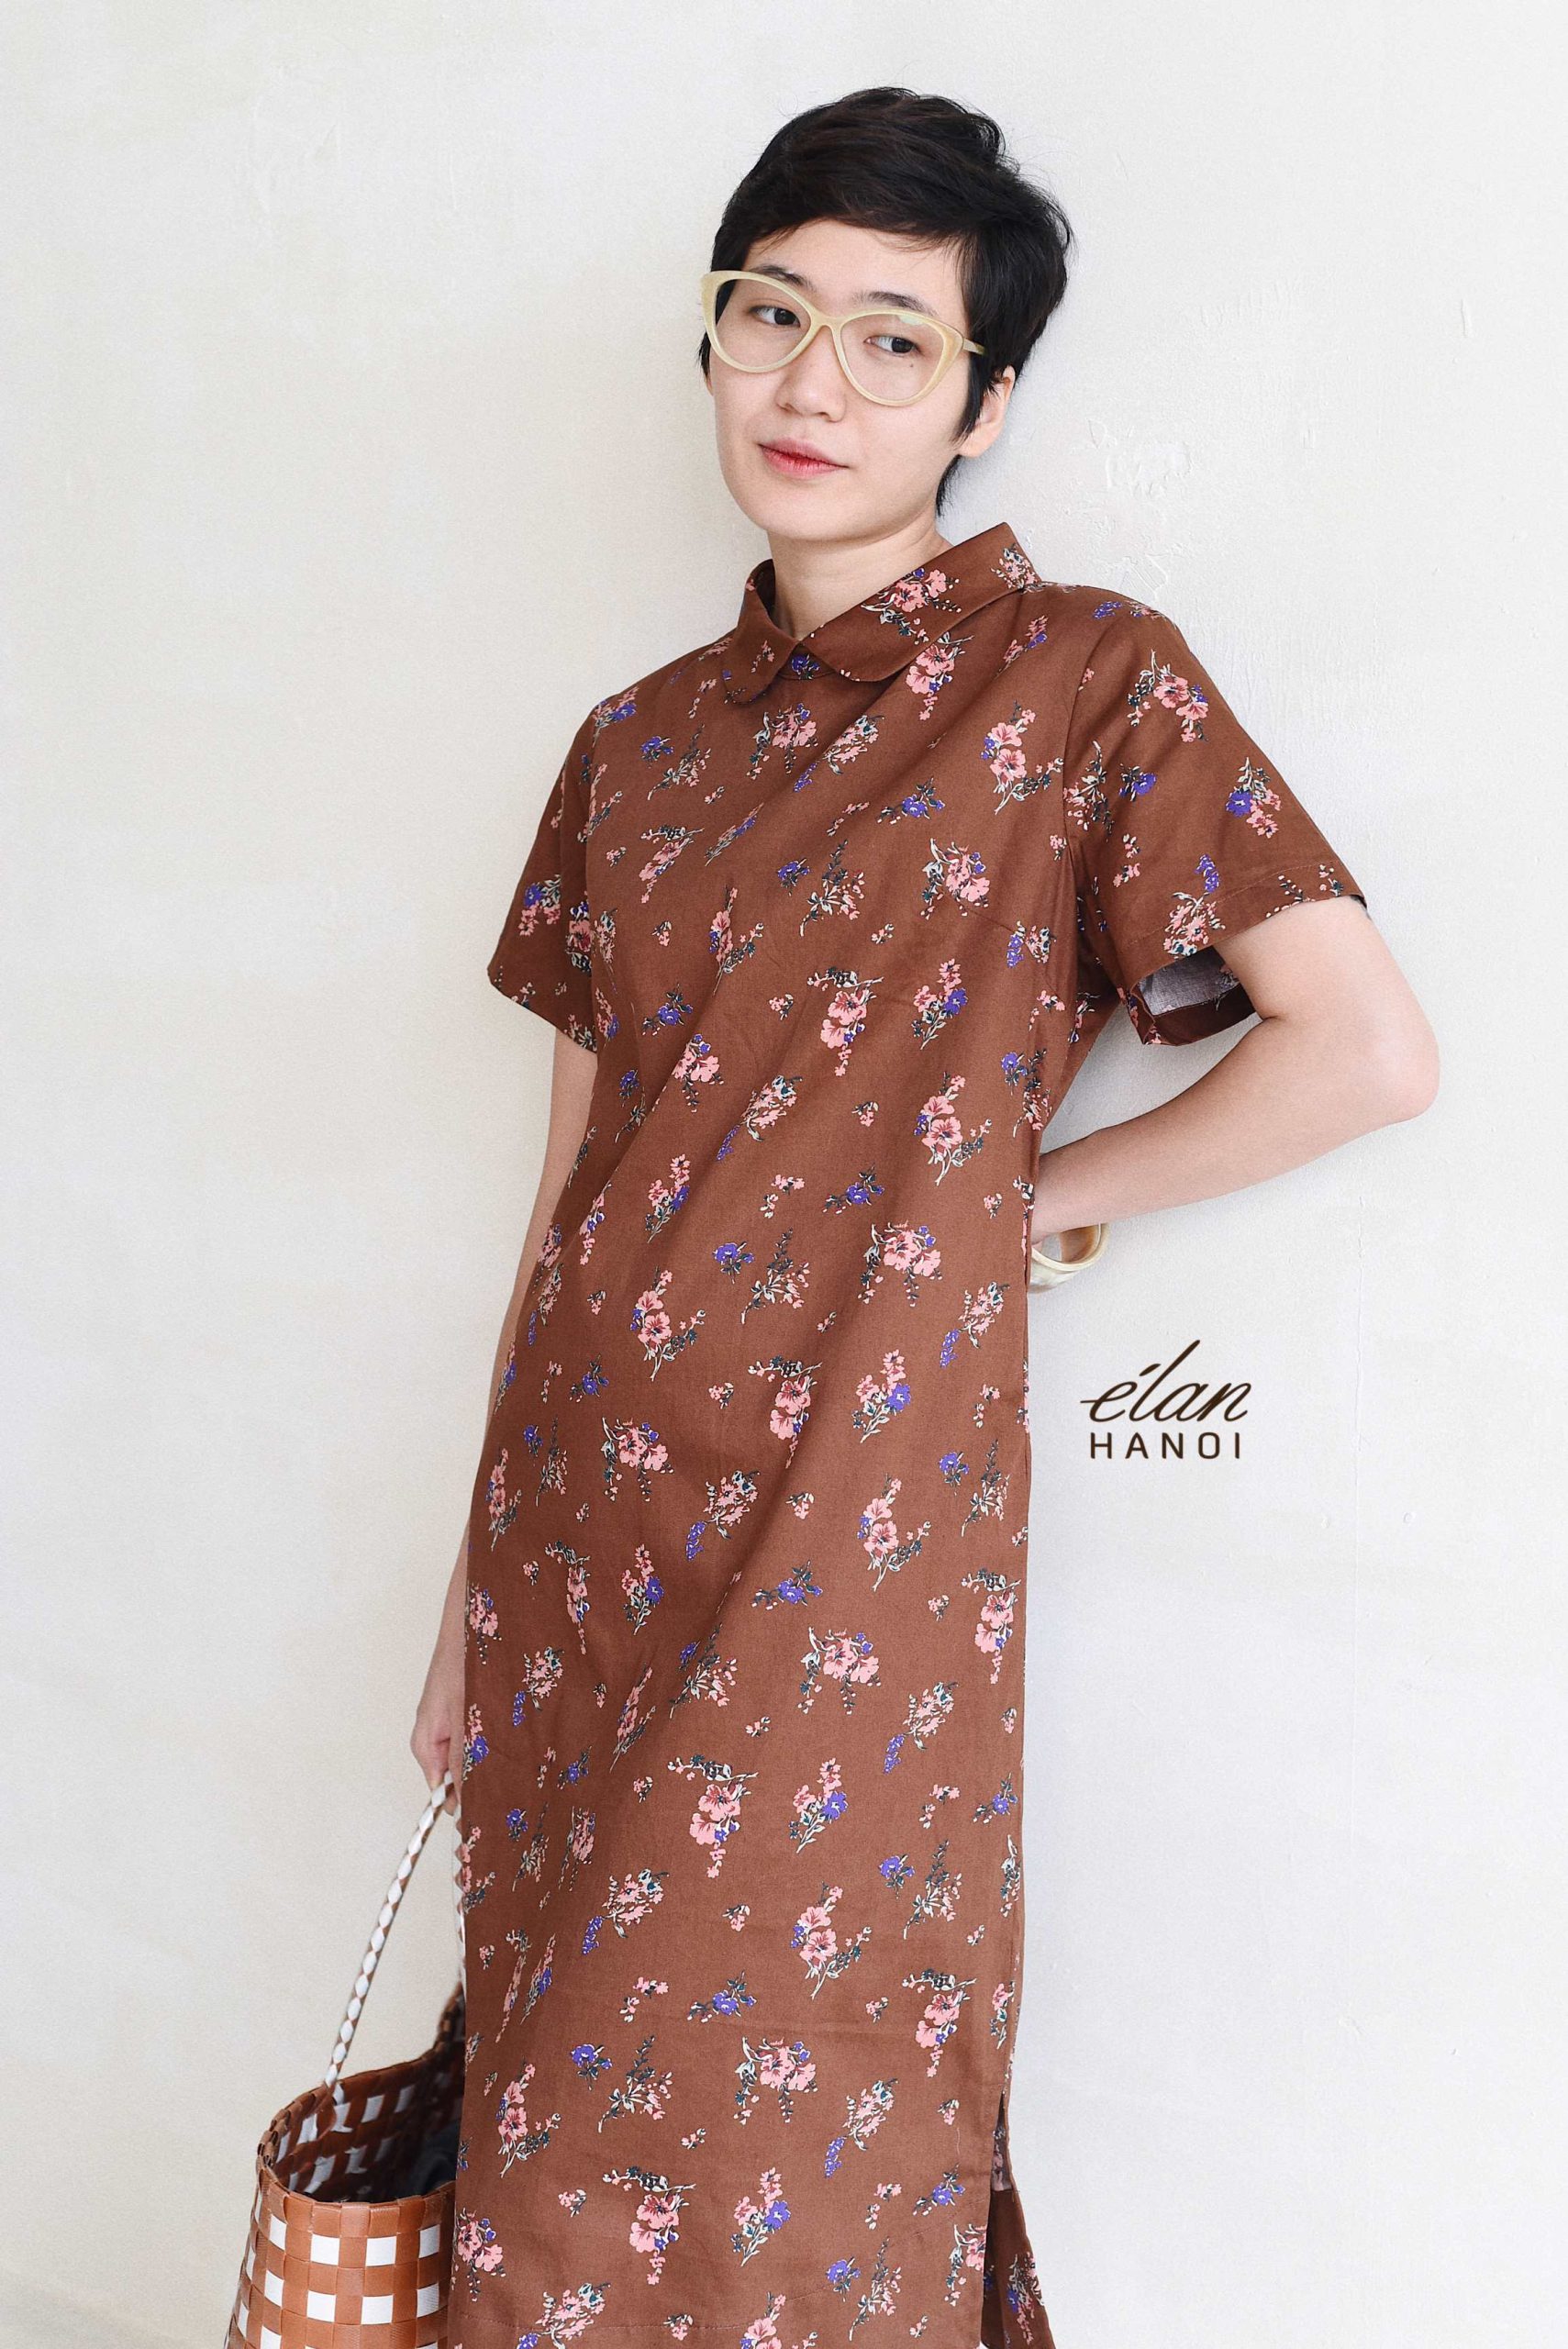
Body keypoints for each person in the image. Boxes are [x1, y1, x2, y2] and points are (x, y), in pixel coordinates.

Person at [413, 86, 1437, 2349]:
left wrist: (1011, 1207)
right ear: (709, 340)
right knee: (549, 2134)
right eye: (769, 312)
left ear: (984, 405)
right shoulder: (631, 747)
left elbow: (1363, 1044)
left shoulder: (1082, 678)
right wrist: (472, 1591)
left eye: (893, 338)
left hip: (842, 1563)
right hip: (581, 1544)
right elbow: (569, 1195)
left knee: (784, 2148)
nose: (812, 381)